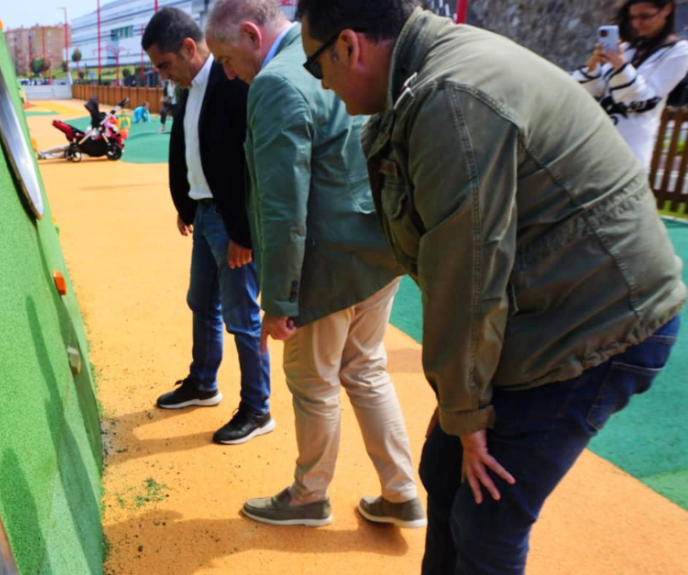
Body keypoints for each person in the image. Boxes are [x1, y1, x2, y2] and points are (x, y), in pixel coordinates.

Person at [294, 0, 686, 572]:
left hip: (600, 318)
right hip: (545, 299)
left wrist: (468, 409)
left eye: (316, 66)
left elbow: (467, 275)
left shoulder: (449, 100)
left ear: (349, 46)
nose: (322, 85)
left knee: (488, 517)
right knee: (444, 468)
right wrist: (462, 407)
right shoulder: (423, 80)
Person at [205, 0, 425, 528]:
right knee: (366, 370)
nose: (228, 72)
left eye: (227, 58)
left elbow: (283, 206)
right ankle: (401, 491)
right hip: (376, 248)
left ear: (254, 34)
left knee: (313, 382)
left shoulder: (277, 82)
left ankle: (309, 496)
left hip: (323, 266)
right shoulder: (344, 56)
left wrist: (279, 300)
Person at [142, 7, 274, 445]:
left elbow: (252, 164)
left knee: (242, 317)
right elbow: (190, 147)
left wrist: (244, 233)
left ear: (189, 48)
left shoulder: (233, 82)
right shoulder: (187, 87)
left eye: (165, 64)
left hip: (231, 222)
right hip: (203, 214)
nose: (164, 75)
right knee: (201, 302)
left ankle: (257, 408)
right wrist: (187, 202)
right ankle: (204, 383)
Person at [573, 0, 688, 169]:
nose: (637, 23)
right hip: (593, 145)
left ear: (667, 9)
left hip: (630, 150)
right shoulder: (627, 49)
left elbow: (645, 101)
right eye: (633, 17)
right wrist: (593, 64)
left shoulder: (680, 52)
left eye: (645, 16)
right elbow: (594, 92)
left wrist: (621, 67)